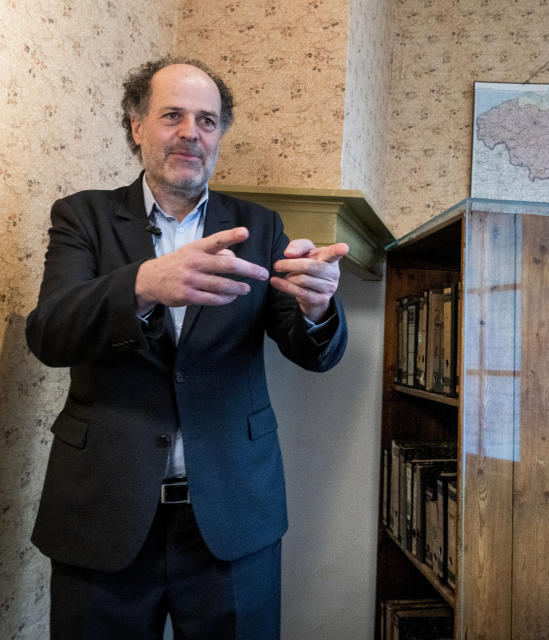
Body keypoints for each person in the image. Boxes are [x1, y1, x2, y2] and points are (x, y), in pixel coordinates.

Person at [25, 56, 349, 639]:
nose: (190, 133)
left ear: (219, 134)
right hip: (103, 511)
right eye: (172, 115)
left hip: (233, 514)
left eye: (206, 120)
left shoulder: (260, 226)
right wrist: (143, 284)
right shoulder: (83, 217)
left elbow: (312, 352)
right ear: (136, 126)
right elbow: (49, 333)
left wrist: (318, 306)